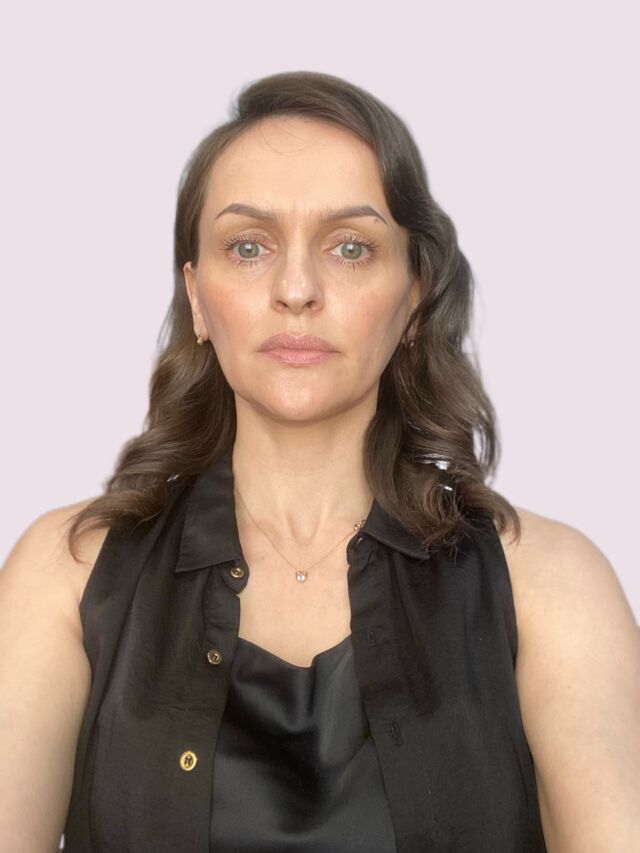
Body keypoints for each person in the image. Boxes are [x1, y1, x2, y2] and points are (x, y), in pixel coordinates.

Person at [1, 70, 639, 853]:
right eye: (248, 247)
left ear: (414, 297)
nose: (297, 288)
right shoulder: (64, 577)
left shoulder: (551, 586)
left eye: (349, 247)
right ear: (197, 298)